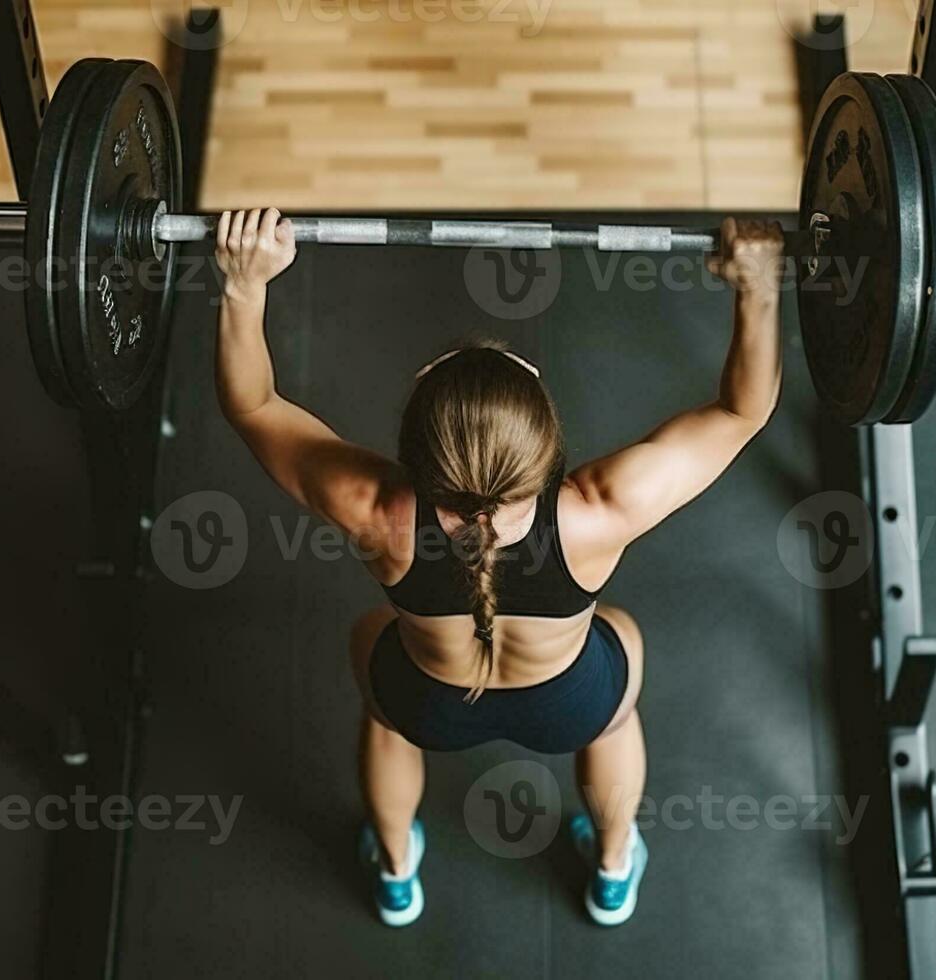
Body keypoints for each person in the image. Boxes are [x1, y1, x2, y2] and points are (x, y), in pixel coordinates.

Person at [213, 208, 783, 927]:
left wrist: (244, 284)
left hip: (429, 703)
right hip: (566, 703)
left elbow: (253, 404)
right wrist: (758, 286)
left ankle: (395, 873)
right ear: (547, 447)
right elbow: (741, 412)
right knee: (620, 668)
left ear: (415, 456)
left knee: (377, 679)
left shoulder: (377, 511)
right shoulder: (598, 510)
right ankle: (612, 872)